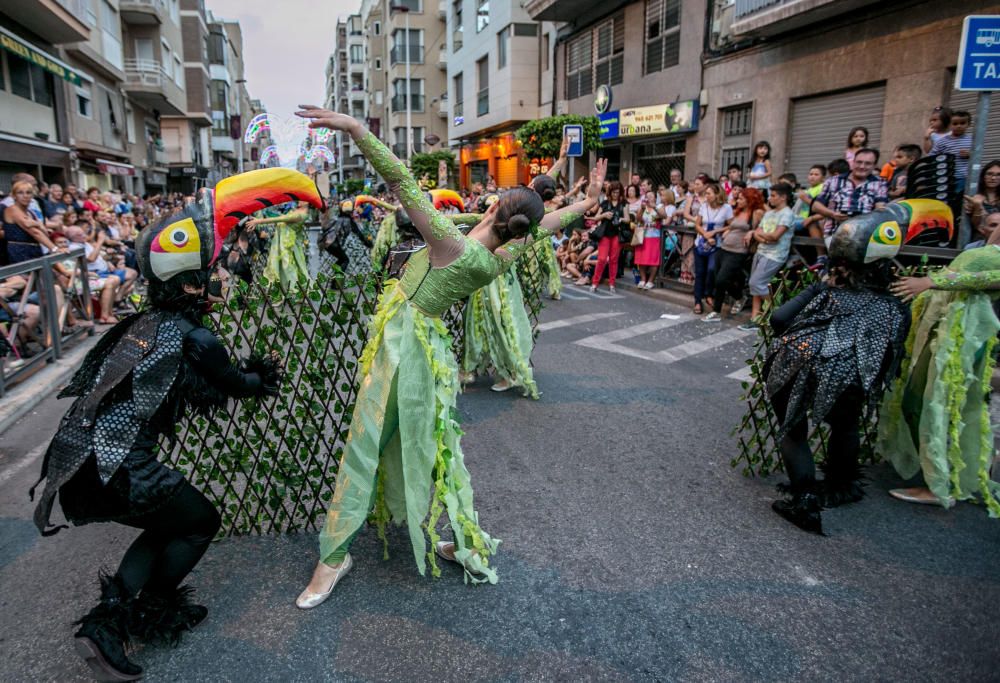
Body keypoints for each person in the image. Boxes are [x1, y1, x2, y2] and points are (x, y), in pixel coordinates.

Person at [292, 105, 607, 607]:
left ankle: (333, 558)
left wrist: (355, 129)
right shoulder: (504, 251)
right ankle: (462, 541)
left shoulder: (450, 245)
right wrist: (587, 203)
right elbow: (552, 222)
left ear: (494, 208)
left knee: (369, 445)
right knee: (431, 444)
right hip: (425, 349)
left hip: (406, 352)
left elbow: (398, 177)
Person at [28, 167, 316, 681]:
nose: (224, 275)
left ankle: (142, 612)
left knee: (172, 524)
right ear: (190, 282)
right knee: (200, 521)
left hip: (87, 456)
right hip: (117, 461)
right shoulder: (195, 338)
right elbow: (238, 385)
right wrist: (261, 373)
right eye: (214, 270)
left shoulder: (145, 321)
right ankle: (112, 624)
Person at [762, 206, 922, 534]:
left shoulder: (827, 290)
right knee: (846, 425)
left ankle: (805, 502)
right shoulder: (896, 307)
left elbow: (778, 320)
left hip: (796, 362)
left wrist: (818, 290)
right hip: (852, 376)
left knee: (794, 430)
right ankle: (840, 486)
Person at [879, 231, 1000, 515]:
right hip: (941, 331)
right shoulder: (985, 247)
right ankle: (938, 473)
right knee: (918, 400)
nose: (993, 223)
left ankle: (937, 485)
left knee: (938, 404)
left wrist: (931, 281)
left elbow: (984, 279)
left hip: (962, 338)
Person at [704, 187, 764, 322]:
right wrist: (720, 231)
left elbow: (764, 226)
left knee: (721, 280)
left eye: (742, 198)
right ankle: (740, 297)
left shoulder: (757, 213)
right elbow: (731, 226)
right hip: (724, 248)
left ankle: (716, 312)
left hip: (738, 252)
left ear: (750, 199)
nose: (738, 200)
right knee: (717, 278)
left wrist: (752, 232)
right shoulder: (738, 211)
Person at [740, 183, 795, 330]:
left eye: (773, 195)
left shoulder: (787, 214)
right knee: (756, 287)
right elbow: (758, 231)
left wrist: (763, 236)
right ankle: (755, 319)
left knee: (756, 283)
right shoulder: (769, 213)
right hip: (761, 251)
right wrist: (764, 237)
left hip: (775, 254)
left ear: (783, 197)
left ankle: (779, 312)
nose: (770, 198)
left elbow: (776, 236)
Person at [812, 149, 888, 246]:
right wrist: (833, 214)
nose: (862, 166)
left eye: (868, 163)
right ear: (853, 162)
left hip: (865, 236)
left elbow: (880, 210)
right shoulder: (833, 181)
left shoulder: (880, 183)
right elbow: (816, 206)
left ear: (874, 166)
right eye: (859, 162)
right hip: (835, 233)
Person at [247, 201, 312, 292]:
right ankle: (284, 291)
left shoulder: (302, 214)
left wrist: (258, 221)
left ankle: (294, 292)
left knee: (288, 268)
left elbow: (280, 218)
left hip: (287, 246)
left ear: (307, 202)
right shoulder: (297, 210)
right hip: (283, 244)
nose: (299, 201)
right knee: (283, 268)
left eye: (302, 200)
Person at [692, 182, 732, 315]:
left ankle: (709, 294)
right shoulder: (704, 206)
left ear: (717, 195)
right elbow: (697, 225)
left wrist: (716, 232)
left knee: (711, 270)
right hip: (700, 243)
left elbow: (731, 226)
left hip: (716, 245)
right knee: (700, 272)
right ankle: (697, 301)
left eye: (709, 193)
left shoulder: (726, 208)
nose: (706, 196)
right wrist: (705, 234)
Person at [4, 180, 57, 263]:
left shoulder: (30, 212)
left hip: (36, 250)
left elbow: (45, 234)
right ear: (14, 196)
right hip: (20, 252)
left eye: (28, 193)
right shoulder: (12, 209)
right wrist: (55, 249)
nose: (25, 196)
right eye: (20, 193)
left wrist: (38, 224)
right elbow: (35, 232)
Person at [591, 181, 627, 293]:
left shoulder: (623, 204)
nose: (616, 194)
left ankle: (612, 283)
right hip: (605, 234)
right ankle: (594, 283)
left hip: (617, 234)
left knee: (613, 260)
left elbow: (628, 219)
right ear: (610, 192)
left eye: (617, 192)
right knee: (601, 259)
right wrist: (604, 215)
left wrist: (620, 219)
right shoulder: (605, 203)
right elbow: (596, 218)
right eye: (614, 192)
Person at [929, 110, 972, 189]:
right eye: (955, 124)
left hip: (964, 177)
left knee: (959, 197)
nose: (959, 126)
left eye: (962, 123)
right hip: (945, 176)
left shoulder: (972, 140)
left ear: (968, 124)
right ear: (950, 125)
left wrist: (970, 154)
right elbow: (931, 157)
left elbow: (977, 157)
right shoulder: (942, 141)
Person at [635, 190, 667, 289]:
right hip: (642, 236)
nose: (648, 198)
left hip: (654, 236)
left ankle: (651, 280)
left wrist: (654, 207)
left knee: (653, 259)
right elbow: (638, 219)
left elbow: (664, 216)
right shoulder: (643, 206)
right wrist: (642, 209)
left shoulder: (659, 206)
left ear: (655, 198)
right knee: (641, 259)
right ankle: (643, 279)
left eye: (651, 196)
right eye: (647, 196)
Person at [964, 160, 1000, 235]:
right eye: (989, 174)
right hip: (980, 240)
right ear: (983, 176)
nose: (993, 178)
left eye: (998, 175)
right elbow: (977, 226)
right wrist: (978, 207)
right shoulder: (973, 196)